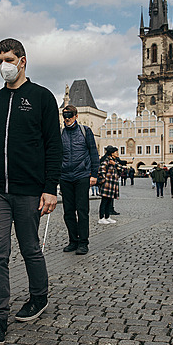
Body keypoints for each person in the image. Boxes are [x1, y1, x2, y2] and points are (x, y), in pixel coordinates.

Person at [0, 38, 62, 345]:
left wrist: (50, 188)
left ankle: (38, 296)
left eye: (8, 59)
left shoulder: (42, 98)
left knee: (30, 247)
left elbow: (53, 146)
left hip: (29, 189)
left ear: (22, 61)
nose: (4, 65)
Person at [60, 105, 99, 255]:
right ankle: (73, 241)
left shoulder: (85, 131)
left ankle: (83, 242)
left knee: (82, 211)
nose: (67, 118)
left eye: (70, 115)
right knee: (68, 211)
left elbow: (93, 153)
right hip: (65, 176)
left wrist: (94, 174)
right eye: (65, 116)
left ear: (76, 116)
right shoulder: (61, 133)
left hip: (82, 175)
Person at [97, 146, 121, 224]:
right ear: (112, 153)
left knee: (109, 201)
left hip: (112, 184)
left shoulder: (114, 161)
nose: (117, 153)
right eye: (116, 152)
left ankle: (107, 217)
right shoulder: (106, 160)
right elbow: (101, 170)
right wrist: (103, 179)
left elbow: (121, 168)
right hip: (107, 184)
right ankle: (101, 218)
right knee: (104, 201)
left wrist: (115, 164)